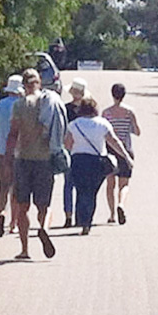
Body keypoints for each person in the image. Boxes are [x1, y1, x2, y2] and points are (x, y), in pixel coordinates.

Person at [5, 69, 59, 259]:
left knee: (23, 206)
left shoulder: (19, 105)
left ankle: (25, 249)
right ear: (39, 83)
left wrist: (8, 158)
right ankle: (44, 228)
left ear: (24, 85)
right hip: (45, 159)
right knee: (44, 205)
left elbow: (13, 133)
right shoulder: (49, 103)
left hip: (23, 158)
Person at [65, 96, 133, 235]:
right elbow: (114, 141)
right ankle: (87, 222)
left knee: (81, 191)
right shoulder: (103, 124)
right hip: (97, 162)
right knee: (92, 192)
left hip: (78, 160)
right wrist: (126, 156)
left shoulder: (74, 125)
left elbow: (67, 144)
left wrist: (75, 149)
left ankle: (82, 220)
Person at [0, 74, 24, 237]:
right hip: (18, 153)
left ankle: (1, 212)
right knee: (16, 189)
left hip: (2, 152)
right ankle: (13, 223)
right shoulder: (22, 106)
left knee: (2, 186)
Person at [103, 83, 140, 225]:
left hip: (110, 150)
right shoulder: (129, 112)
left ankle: (112, 214)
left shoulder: (106, 113)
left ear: (112, 94)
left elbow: (104, 132)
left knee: (110, 184)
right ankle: (121, 204)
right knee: (124, 184)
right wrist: (129, 127)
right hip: (125, 150)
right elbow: (137, 131)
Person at [62, 78, 88, 228]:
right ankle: (80, 215)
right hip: (84, 150)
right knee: (82, 185)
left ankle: (68, 215)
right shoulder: (88, 109)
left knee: (68, 184)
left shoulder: (66, 109)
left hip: (69, 148)